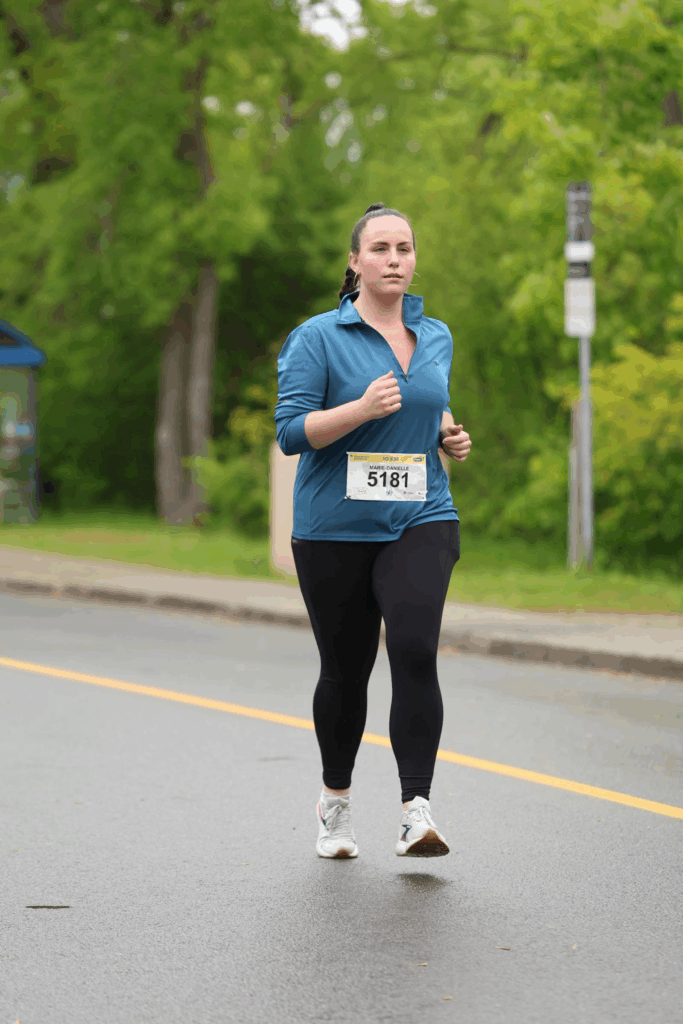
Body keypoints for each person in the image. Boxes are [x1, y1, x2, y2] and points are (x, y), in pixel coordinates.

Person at [274, 202, 472, 859]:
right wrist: (358, 409)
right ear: (355, 262)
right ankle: (335, 802)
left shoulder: (434, 334)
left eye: (404, 248)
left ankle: (415, 811)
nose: (394, 259)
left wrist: (447, 431)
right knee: (345, 669)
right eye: (381, 248)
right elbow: (290, 433)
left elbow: (428, 399)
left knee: (414, 649)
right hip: (334, 526)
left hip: (421, 513)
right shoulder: (317, 337)